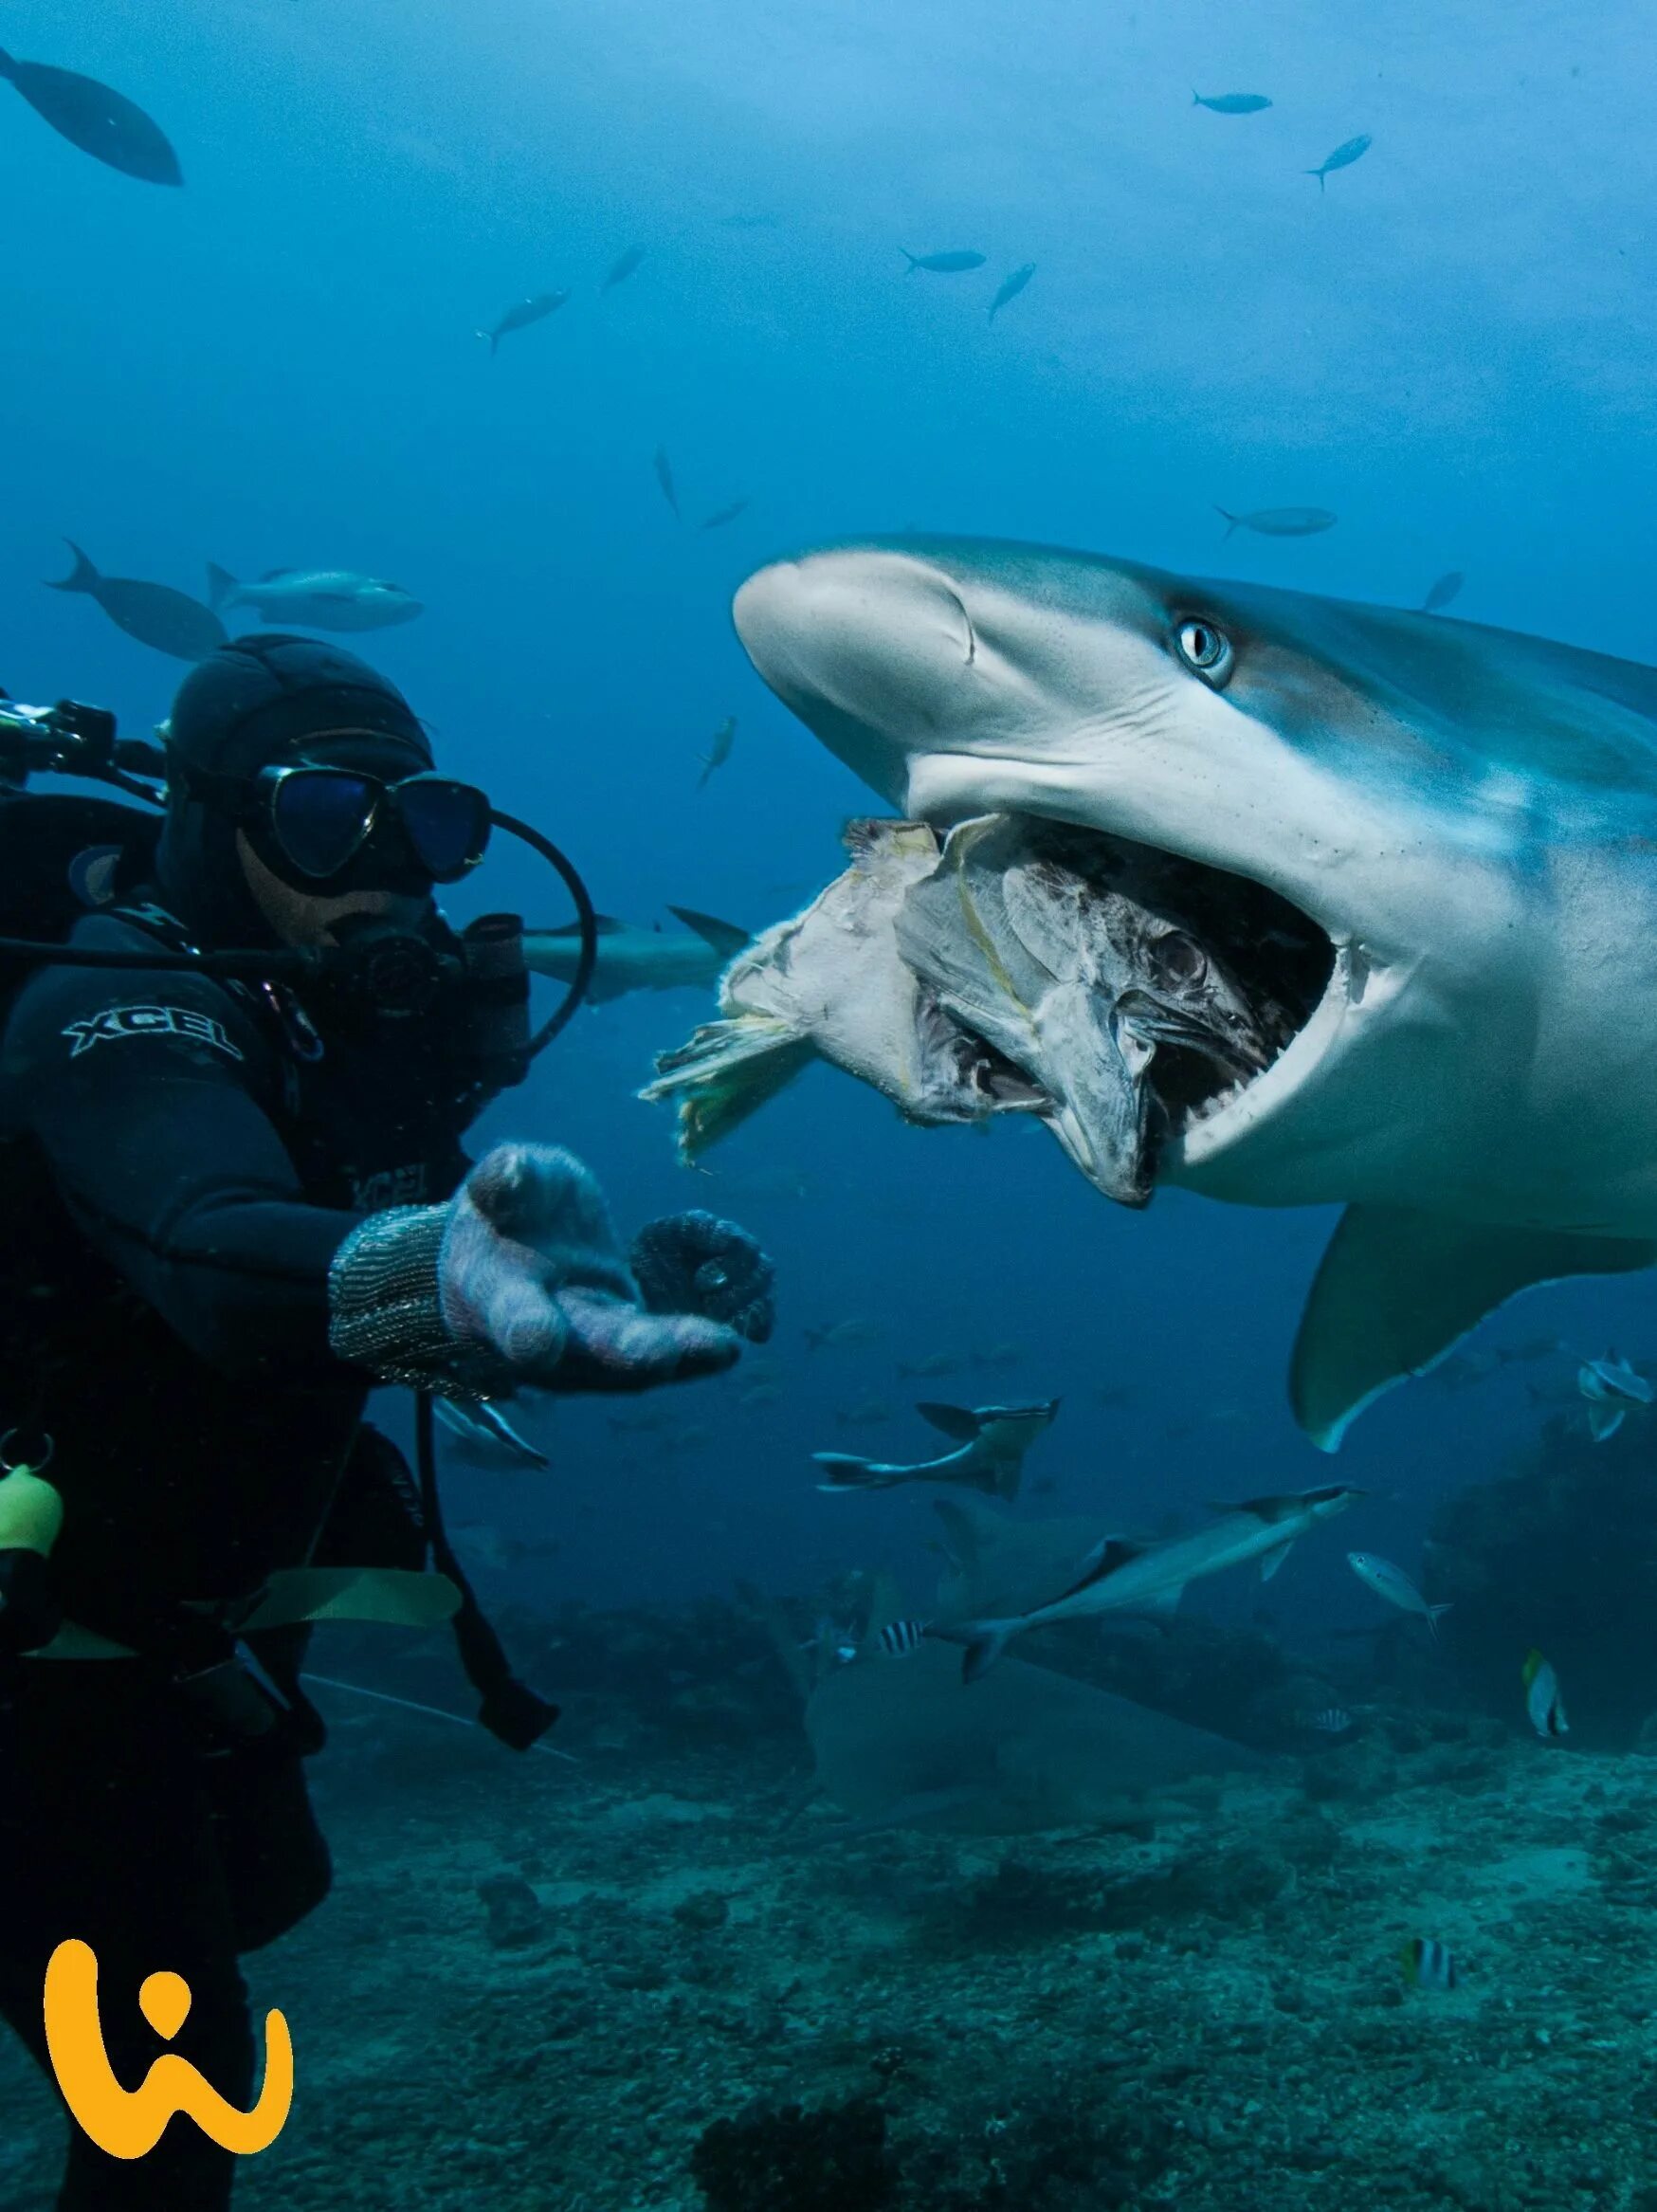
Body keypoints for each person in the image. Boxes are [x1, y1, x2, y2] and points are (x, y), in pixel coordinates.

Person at [0, 633, 774, 2210]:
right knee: (174, 2095)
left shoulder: (348, 1040)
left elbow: (418, 1251)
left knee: (250, 1919)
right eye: (321, 818)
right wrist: (439, 1268)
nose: (384, 873)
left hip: (174, 1639)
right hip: (41, 1646)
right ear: (213, 827)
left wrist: (591, 1278)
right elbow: (213, 1244)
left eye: (424, 828)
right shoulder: (114, 1009)